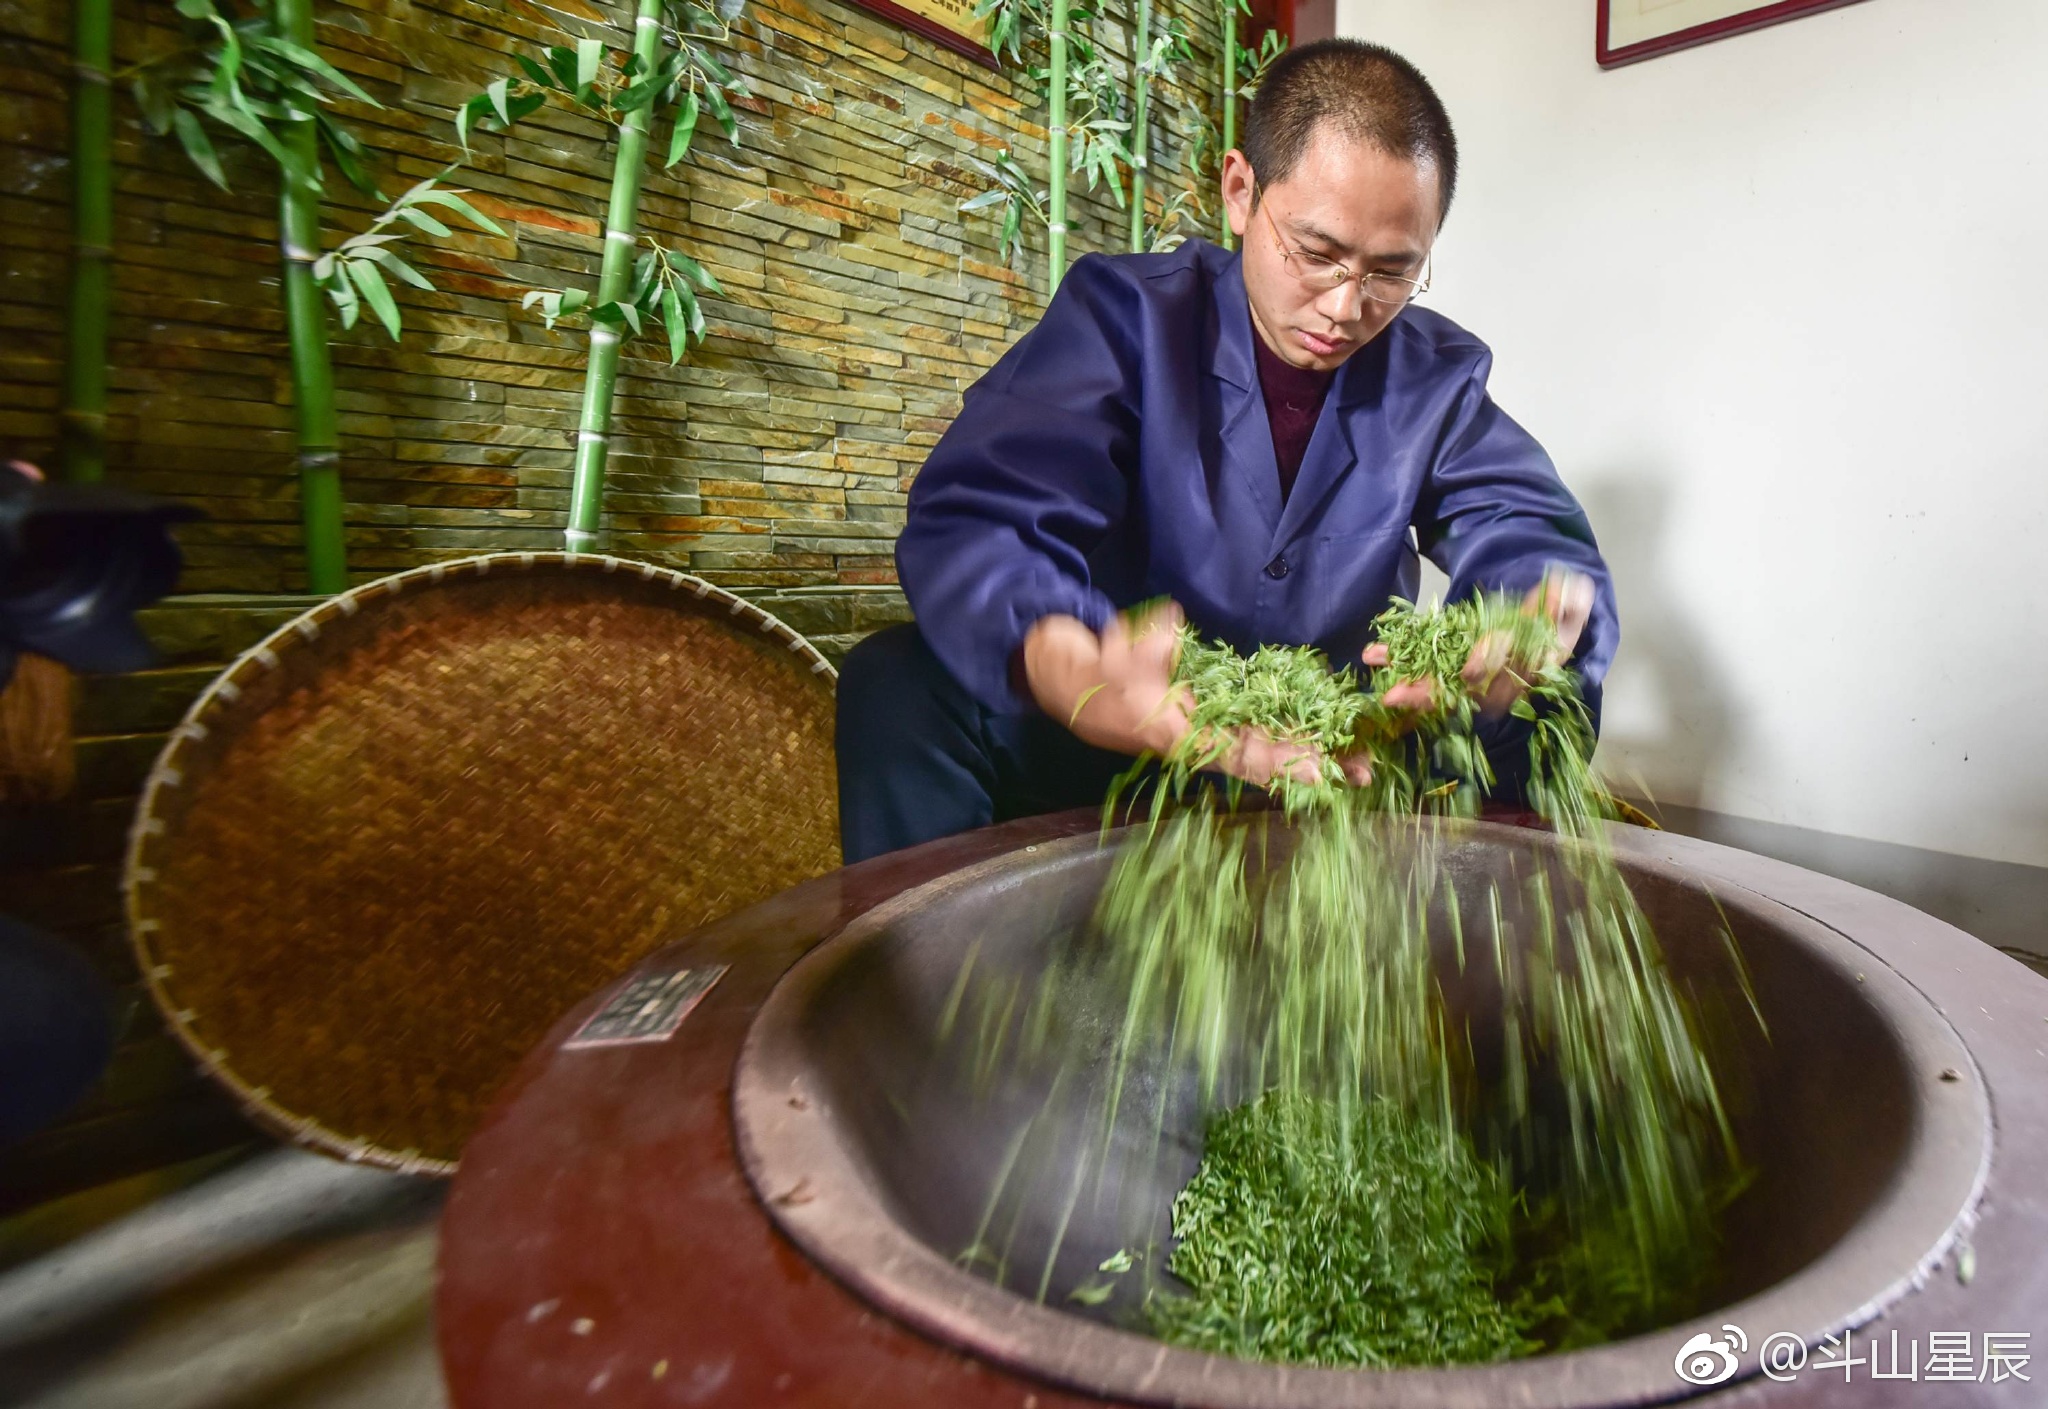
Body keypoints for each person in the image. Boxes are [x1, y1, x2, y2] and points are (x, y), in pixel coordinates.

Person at [836, 39, 1616, 864]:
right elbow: (985, 513)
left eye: (1393, 271)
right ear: (1241, 191)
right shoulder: (1126, 319)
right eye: (1316, 254)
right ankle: (947, 983)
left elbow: (1528, 527)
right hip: (1124, 739)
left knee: (1530, 710)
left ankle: (1468, 964)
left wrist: (1529, 618)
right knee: (898, 684)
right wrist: (1063, 655)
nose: (1347, 306)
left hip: (1325, 751)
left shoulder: (1436, 378)